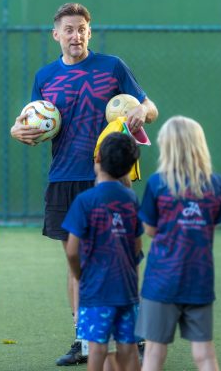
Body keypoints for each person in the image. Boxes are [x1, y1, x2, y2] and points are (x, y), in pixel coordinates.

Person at [10, 2, 158, 366]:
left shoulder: (112, 66)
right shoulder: (45, 76)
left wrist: (143, 112)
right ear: (56, 34)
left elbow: (149, 107)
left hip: (112, 179)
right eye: (69, 29)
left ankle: (131, 334)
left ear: (89, 32)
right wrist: (17, 130)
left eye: (82, 29)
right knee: (74, 260)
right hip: (64, 177)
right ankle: (82, 337)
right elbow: (31, 120)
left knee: (122, 257)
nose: (76, 36)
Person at [136, 116, 221, 371]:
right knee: (205, 353)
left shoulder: (157, 183)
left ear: (166, 146)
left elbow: (150, 229)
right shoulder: (216, 184)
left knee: (153, 352)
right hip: (199, 278)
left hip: (161, 280)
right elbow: (212, 226)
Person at [63, 132, 143, 371]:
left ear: (97, 159)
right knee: (128, 349)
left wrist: (80, 276)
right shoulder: (131, 199)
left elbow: (71, 251)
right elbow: (136, 248)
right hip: (126, 291)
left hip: (95, 292)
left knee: (97, 349)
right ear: (129, 167)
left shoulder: (85, 201)